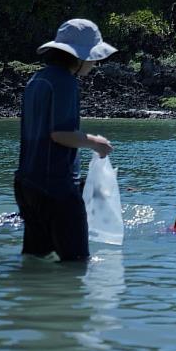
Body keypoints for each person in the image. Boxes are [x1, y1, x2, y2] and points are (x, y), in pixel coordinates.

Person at [13, 19, 117, 261]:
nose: (95, 63)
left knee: (34, 257)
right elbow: (60, 135)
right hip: (56, 187)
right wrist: (96, 142)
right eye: (92, 57)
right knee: (77, 263)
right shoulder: (65, 82)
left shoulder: (37, 79)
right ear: (79, 57)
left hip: (26, 183)